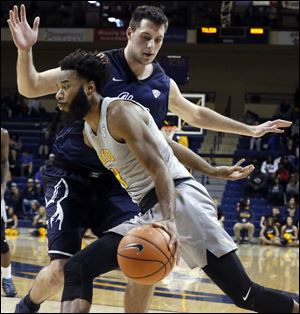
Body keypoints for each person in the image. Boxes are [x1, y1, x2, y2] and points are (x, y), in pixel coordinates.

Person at [6, 4, 273, 313]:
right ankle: (28, 305)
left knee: (145, 260)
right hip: (72, 175)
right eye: (145, 37)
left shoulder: (162, 84)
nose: (151, 46)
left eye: (158, 40)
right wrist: (25, 51)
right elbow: (31, 86)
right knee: (61, 271)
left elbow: (196, 114)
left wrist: (249, 130)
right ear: (130, 33)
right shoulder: (97, 67)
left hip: (120, 183)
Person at [56, 50, 298, 313]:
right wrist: (212, 170)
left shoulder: (118, 113)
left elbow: (160, 166)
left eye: (65, 87)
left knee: (246, 295)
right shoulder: (89, 133)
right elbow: (166, 143)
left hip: (180, 202)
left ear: (89, 87)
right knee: (77, 268)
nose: (58, 94)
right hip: (150, 209)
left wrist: (168, 220)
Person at [1, 128, 18, 297]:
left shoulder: (3, 134)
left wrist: (2, 187)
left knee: (2, 243)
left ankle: (7, 278)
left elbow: (4, 162)